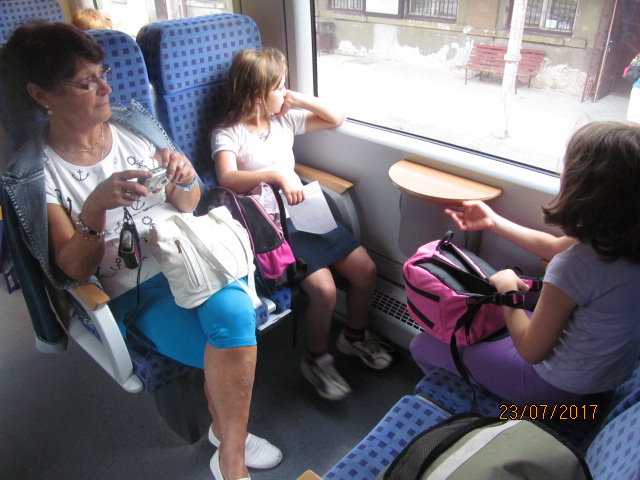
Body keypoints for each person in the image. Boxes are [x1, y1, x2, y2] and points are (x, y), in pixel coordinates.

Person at [1, 23, 280, 480]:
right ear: (41, 94)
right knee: (228, 345)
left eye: (104, 74)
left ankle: (230, 458)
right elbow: (73, 271)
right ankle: (230, 438)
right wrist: (93, 210)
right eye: (87, 81)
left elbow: (189, 204)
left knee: (233, 325)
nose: (106, 88)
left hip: (192, 255)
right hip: (135, 288)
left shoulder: (135, 127)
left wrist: (184, 177)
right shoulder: (37, 173)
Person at [411, 121, 640, 408]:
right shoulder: (620, 240)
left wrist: (508, 291)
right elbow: (553, 246)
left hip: (553, 390)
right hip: (604, 379)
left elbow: (531, 351)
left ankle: (478, 412)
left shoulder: (575, 266)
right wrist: (493, 222)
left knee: (423, 346)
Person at [211, 47, 393, 401]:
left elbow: (336, 117)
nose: (285, 92)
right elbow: (227, 177)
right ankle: (315, 359)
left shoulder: (283, 120)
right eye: (279, 86)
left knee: (366, 269)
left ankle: (353, 337)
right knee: (325, 290)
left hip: (306, 212)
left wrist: (294, 98)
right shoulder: (229, 133)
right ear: (256, 95)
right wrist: (277, 175)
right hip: (271, 224)